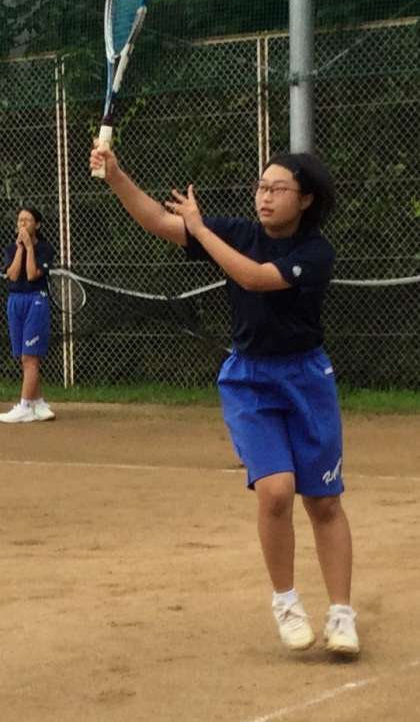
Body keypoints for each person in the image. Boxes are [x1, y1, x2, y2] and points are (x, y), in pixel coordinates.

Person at [90, 144, 360, 656]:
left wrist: (201, 229)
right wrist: (116, 175)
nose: (265, 197)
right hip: (249, 379)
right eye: (261, 187)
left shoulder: (315, 252)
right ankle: (286, 602)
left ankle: (342, 614)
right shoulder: (237, 232)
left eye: (278, 189)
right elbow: (157, 221)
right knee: (276, 491)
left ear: (305, 200)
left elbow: (255, 278)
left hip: (307, 378)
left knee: (324, 501)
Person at [0, 207, 55, 423]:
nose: (22, 223)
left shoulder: (45, 249)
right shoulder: (10, 249)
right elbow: (13, 275)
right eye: (20, 220)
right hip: (15, 300)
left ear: (37, 225)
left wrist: (30, 247)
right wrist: (21, 248)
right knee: (24, 356)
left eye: (28, 220)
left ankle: (24, 407)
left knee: (30, 357)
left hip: (36, 300)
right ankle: (38, 403)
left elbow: (32, 274)